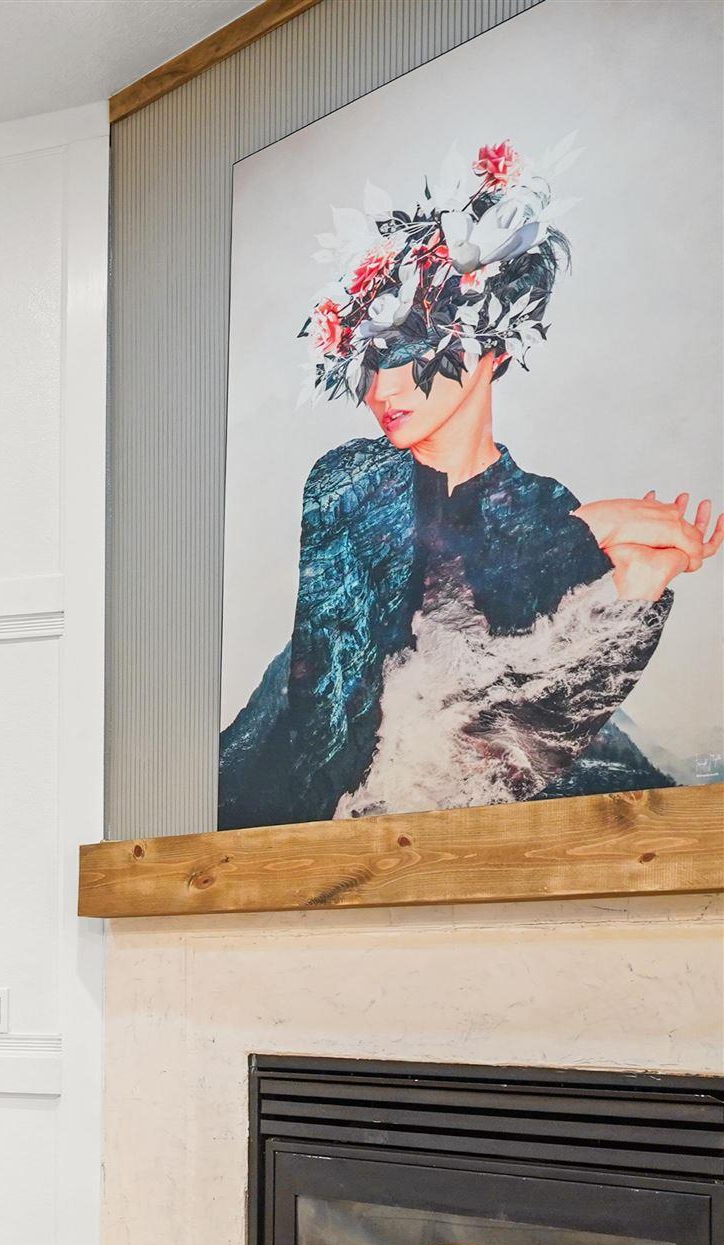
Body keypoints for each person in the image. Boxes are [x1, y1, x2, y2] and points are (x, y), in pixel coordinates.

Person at [220, 137, 720, 828]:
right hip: (292, 801)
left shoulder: (542, 507)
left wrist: (629, 594)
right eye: (368, 358)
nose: (381, 389)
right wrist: (591, 532)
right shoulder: (349, 481)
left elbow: (506, 742)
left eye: (407, 353)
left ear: (491, 347)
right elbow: (345, 703)